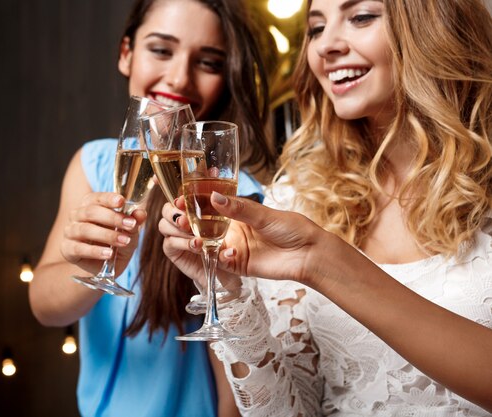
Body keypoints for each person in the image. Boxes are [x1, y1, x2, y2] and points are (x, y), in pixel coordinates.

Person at [159, 0, 492, 415]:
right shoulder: (299, 196)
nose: (325, 46)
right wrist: (229, 291)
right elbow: (284, 410)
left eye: (361, 17)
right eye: (316, 28)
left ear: (436, 24)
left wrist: (323, 261)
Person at [28, 0, 277, 416]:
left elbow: (235, 391)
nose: (179, 77)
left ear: (226, 79)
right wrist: (93, 265)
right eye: (161, 50)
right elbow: (43, 306)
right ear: (126, 53)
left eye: (209, 62)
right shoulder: (94, 163)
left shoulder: (235, 199)